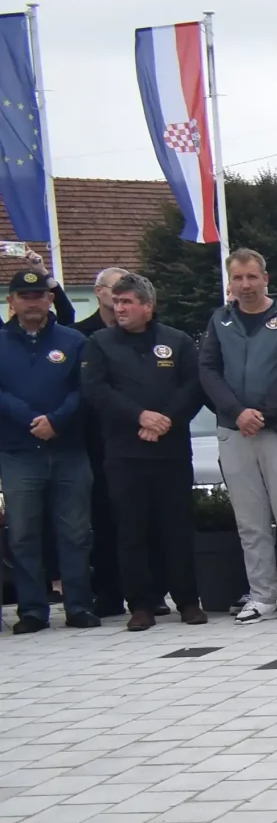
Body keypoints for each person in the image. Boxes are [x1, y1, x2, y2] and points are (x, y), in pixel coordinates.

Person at [198, 249, 277, 622]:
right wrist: (238, 412)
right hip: (234, 430)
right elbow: (208, 370)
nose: (246, 285)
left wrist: (263, 413)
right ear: (230, 282)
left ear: (265, 278)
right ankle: (262, 595)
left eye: (252, 277)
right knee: (250, 520)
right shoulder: (220, 321)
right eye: (238, 278)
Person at [79, 272, 204, 630]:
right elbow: (96, 390)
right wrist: (139, 417)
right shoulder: (100, 343)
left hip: (171, 450)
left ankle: (187, 600)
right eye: (117, 302)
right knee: (131, 530)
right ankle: (141, 604)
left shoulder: (176, 341)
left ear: (147, 307)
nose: (120, 308)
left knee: (176, 527)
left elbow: (193, 386)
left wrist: (166, 419)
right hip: (124, 452)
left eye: (127, 302)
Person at [0, 267, 95, 631]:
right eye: (24, 297)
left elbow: (84, 389)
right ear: (12, 302)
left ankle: (79, 607)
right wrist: (30, 419)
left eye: (39, 295)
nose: (32, 303)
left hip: (68, 449)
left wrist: (56, 420)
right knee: (23, 534)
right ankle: (33, 610)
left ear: (50, 299)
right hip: (18, 451)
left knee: (75, 532)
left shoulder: (73, 341)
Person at [73, 267, 125, 617]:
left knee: (139, 521)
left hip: (140, 439)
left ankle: (148, 591)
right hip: (97, 440)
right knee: (104, 520)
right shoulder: (82, 336)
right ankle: (107, 592)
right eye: (116, 291)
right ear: (99, 292)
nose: (122, 299)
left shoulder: (149, 334)